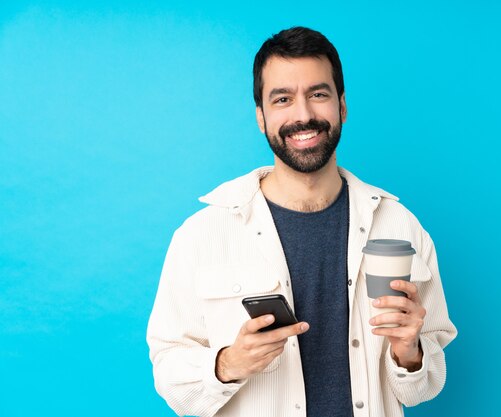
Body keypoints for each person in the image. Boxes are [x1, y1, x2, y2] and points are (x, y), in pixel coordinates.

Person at [147, 26, 457, 417]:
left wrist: (409, 353)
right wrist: (228, 364)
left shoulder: (399, 226)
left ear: (342, 106)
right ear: (261, 116)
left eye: (318, 94)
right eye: (282, 99)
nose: (304, 115)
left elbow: (421, 390)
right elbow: (170, 374)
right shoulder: (202, 235)